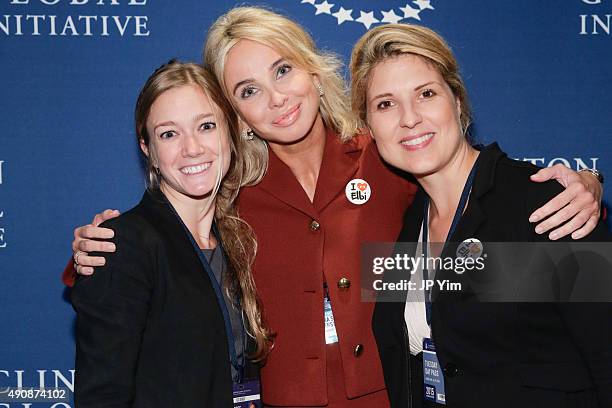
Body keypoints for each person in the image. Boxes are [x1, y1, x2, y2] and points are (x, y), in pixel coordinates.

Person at [65, 7, 604, 407]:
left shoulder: (388, 154)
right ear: (235, 116)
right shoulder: (229, 189)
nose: (275, 99)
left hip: (390, 396)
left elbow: (474, 211)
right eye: (247, 91)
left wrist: (584, 188)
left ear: (312, 68)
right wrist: (94, 248)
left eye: (282, 70)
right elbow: (162, 254)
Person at [349, 23, 612, 408]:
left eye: (425, 94)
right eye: (385, 104)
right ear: (369, 126)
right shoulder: (407, 224)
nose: (409, 118)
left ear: (456, 101)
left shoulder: (546, 203)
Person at [70, 60, 271, 407]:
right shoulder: (122, 244)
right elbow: (102, 396)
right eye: (169, 133)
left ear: (231, 131)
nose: (192, 148)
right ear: (148, 150)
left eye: (206, 126)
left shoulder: (235, 238)